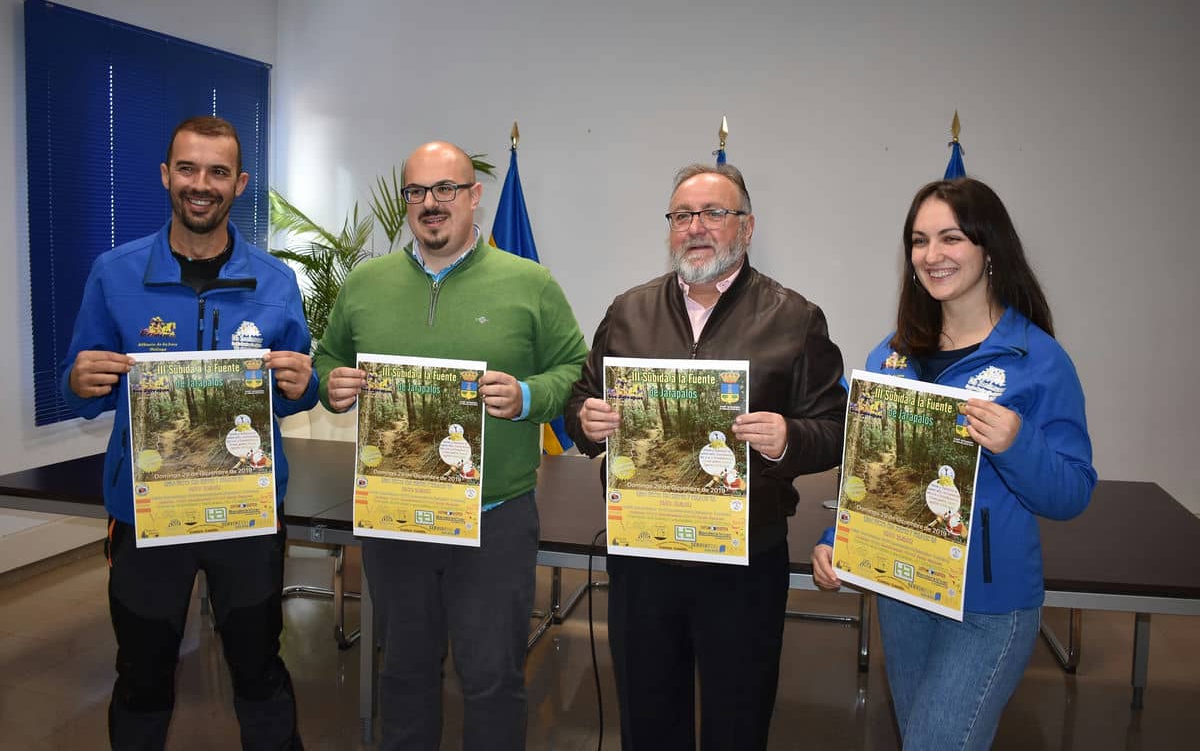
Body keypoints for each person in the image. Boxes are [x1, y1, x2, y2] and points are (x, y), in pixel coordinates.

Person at [314, 141, 587, 751]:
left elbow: (576, 369)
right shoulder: (366, 283)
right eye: (417, 191)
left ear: (474, 197)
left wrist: (526, 394)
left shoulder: (530, 283)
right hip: (395, 516)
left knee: (491, 676)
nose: (430, 203)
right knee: (405, 671)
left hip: (495, 517)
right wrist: (330, 383)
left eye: (446, 189)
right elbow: (327, 357)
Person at [566, 163, 846, 751]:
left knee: (737, 721)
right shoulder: (628, 312)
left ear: (746, 227)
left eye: (714, 213)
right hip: (642, 558)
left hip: (743, 560)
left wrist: (788, 436)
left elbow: (836, 426)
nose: (696, 227)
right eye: (682, 215)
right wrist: (587, 422)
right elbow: (580, 404)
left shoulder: (794, 319)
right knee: (647, 720)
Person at [811, 177, 1096, 749]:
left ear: (989, 248)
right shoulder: (889, 355)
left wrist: (1017, 443)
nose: (932, 255)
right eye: (919, 240)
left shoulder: (1038, 359)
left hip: (990, 605)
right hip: (904, 592)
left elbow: (1072, 493)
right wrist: (833, 536)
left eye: (951, 238)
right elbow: (868, 473)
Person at [61, 116, 317, 749]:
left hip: (246, 517)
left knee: (259, 672)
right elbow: (79, 378)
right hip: (147, 517)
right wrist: (79, 379)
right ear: (166, 175)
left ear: (240, 184)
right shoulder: (113, 273)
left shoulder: (276, 282)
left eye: (218, 172)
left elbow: (298, 394)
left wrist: (300, 383)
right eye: (188, 169)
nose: (201, 185)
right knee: (142, 677)